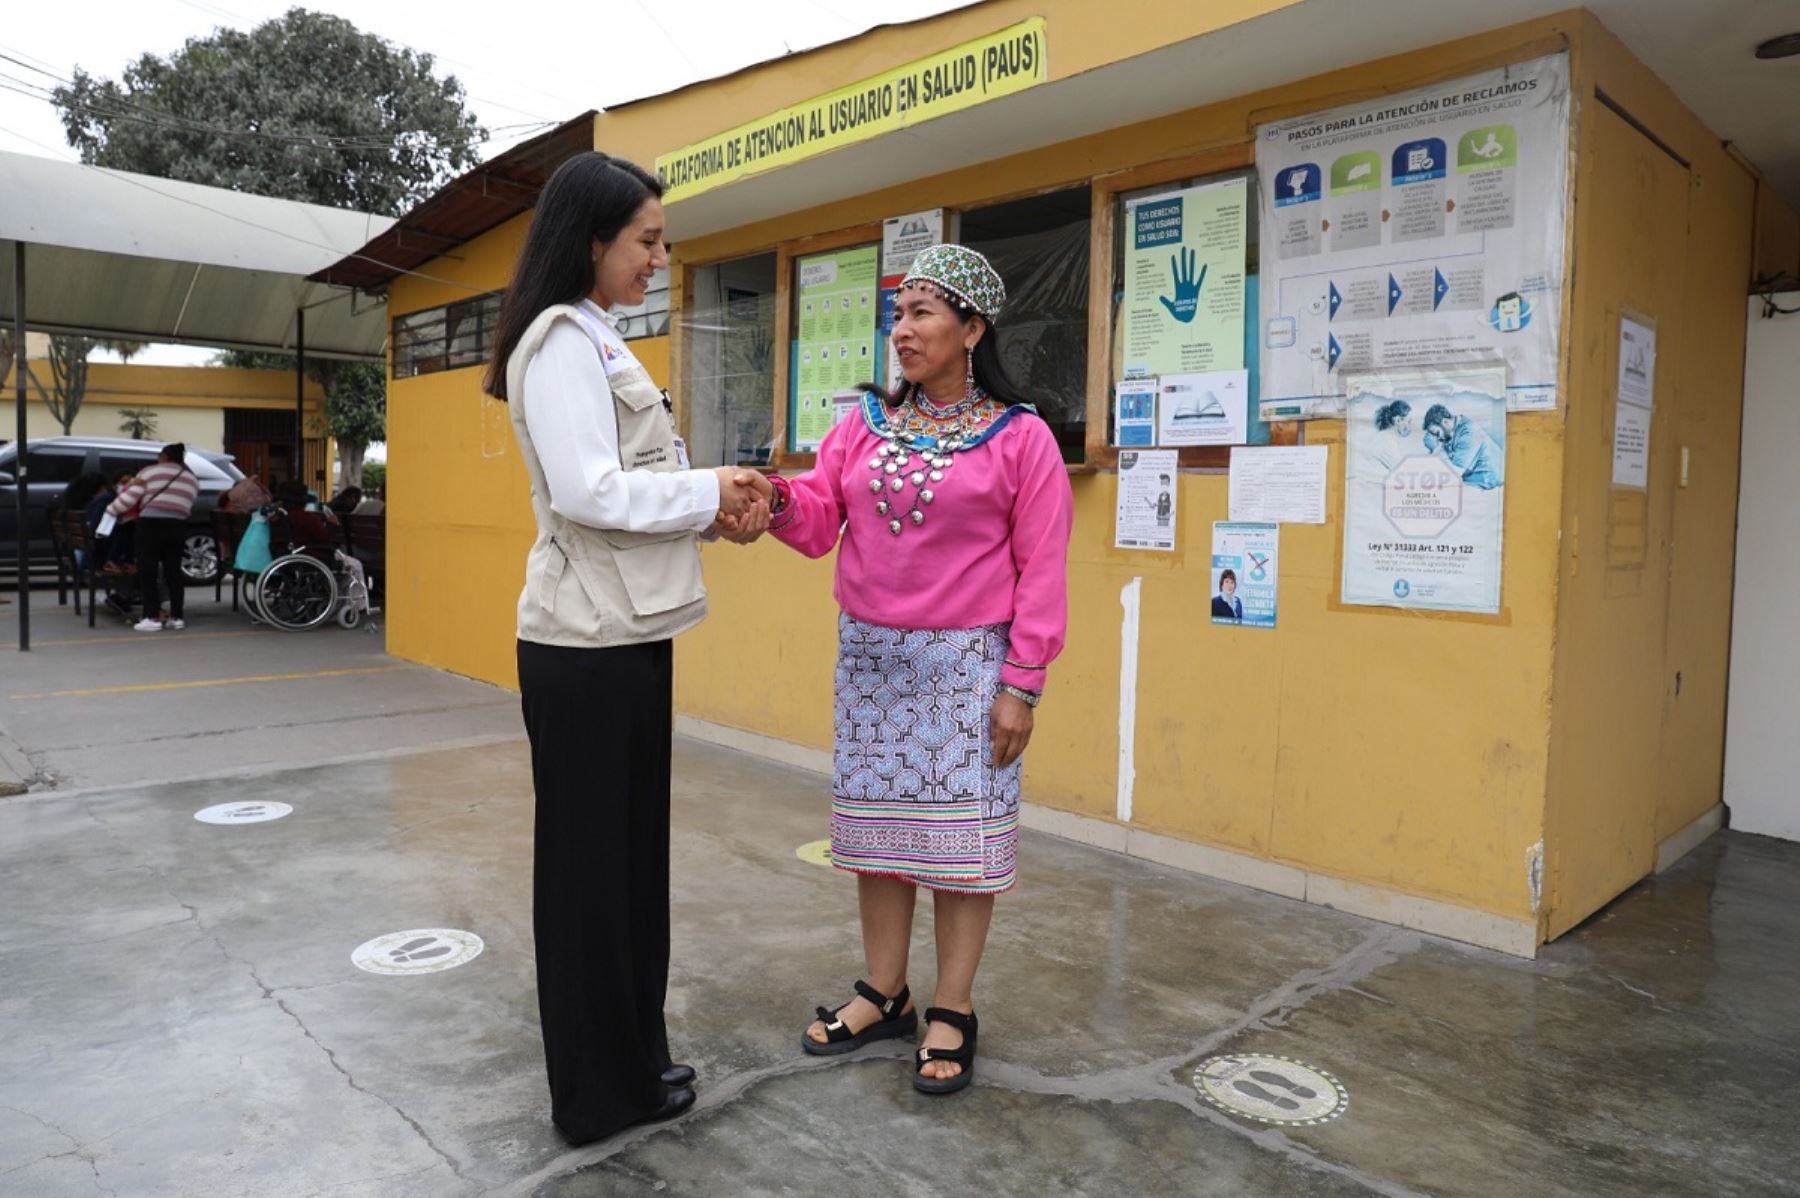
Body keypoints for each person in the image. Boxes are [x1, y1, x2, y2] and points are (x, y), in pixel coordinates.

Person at [481, 150, 768, 1146]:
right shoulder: (560, 340)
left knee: (630, 866)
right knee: (591, 875)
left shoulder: (597, 335)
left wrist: (704, 509)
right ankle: (597, 1094)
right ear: (592, 240)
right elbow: (589, 492)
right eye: (645, 240)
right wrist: (707, 491)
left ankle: (635, 1059)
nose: (659, 257)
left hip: (625, 634)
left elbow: (630, 485)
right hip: (585, 645)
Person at [746, 244, 1073, 1095]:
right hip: (873, 665)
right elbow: (821, 518)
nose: (904, 329)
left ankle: (953, 1008)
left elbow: (1043, 570)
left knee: (960, 849)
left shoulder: (1022, 437)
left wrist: (1022, 686)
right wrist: (775, 498)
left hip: (970, 669)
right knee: (881, 842)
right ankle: (885, 992)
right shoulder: (863, 424)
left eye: (924, 313)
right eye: (900, 313)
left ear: (972, 328)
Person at [107, 444, 198, 632]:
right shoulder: (191, 479)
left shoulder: (149, 472)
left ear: (164, 456)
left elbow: (130, 498)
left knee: (148, 570)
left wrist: (111, 510)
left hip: (150, 524)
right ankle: (177, 617)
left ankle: (152, 617)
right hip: (178, 525)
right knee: (173, 571)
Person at [1422, 402, 1504, 490]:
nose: (1437, 439)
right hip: (1474, 485)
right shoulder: (1450, 434)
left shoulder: (1468, 432)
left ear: (1445, 422)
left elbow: (1452, 475)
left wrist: (1436, 448)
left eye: (1437, 434)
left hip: (1489, 488)